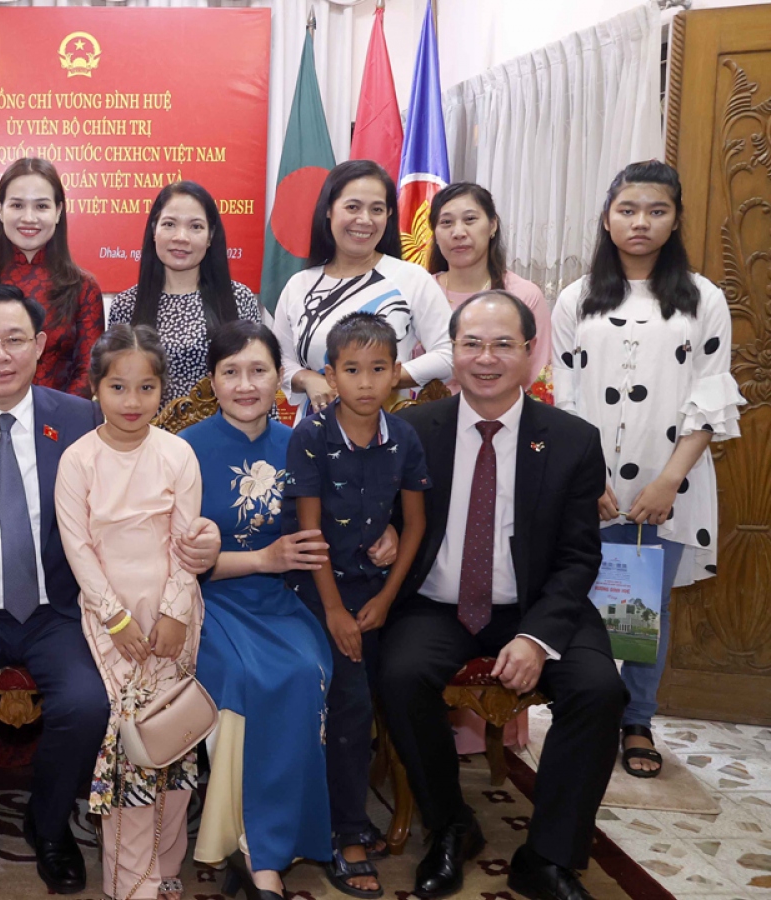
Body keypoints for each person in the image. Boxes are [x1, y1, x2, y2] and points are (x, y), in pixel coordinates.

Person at [0, 285, 223, 900]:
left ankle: (49, 827)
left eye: (15, 339)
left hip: (61, 608)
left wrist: (201, 543)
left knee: (88, 704)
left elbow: (144, 504)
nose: (0, 354)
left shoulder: (81, 417)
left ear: (40, 345)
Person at [382, 290, 627, 900]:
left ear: (529, 351)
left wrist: (538, 637)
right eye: (471, 344)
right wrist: (380, 534)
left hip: (536, 604)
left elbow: (579, 555)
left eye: (501, 345)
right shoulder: (412, 430)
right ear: (452, 350)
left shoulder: (572, 439)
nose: (485, 358)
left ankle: (547, 856)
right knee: (399, 674)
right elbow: (377, 511)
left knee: (599, 690)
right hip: (437, 602)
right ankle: (450, 824)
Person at [552, 160, 742, 780]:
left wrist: (668, 482)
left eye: (657, 211)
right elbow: (566, 399)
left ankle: (637, 720)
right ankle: (581, 713)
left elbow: (710, 398)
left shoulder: (703, 298)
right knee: (576, 601)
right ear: (607, 219)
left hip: (667, 486)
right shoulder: (576, 298)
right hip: (589, 486)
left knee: (642, 612)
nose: (641, 222)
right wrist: (587, 479)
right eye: (628, 210)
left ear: (676, 220)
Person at [182, 321, 333, 900]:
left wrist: (386, 535)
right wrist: (262, 559)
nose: (246, 385)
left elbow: (327, 527)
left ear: (279, 378)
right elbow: (176, 562)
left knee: (304, 672)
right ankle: (252, 848)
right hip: (207, 599)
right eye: (231, 372)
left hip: (282, 600)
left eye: (259, 371)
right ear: (212, 380)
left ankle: (266, 840)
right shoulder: (183, 450)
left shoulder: (302, 444)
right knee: (243, 677)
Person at [283, 313, 430, 898]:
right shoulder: (311, 437)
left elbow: (414, 524)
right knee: (349, 701)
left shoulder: (405, 438)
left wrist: (387, 597)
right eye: (351, 370)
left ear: (396, 374)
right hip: (318, 590)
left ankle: (354, 808)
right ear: (330, 375)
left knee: (384, 689)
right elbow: (309, 533)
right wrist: (336, 612)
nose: (365, 383)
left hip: (379, 592)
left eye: (377, 369)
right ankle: (346, 830)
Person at [54, 324, 204, 900]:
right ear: (95, 388)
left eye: (146, 388)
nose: (132, 401)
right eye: (118, 387)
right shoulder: (78, 459)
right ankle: (132, 881)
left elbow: (186, 542)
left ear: (163, 389)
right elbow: (79, 548)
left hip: (174, 613)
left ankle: (167, 864)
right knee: (132, 744)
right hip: (110, 616)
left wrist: (175, 612)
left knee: (174, 734)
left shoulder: (177, 453)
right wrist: (115, 618)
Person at [273, 160, 453, 415]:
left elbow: (449, 353)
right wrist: (307, 379)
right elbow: (278, 360)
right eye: (353, 207)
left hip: (390, 424)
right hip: (314, 428)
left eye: (377, 209)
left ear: (388, 215)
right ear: (329, 210)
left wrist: (379, 378)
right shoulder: (299, 285)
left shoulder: (412, 278)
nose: (365, 220)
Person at [0, 158, 105, 398]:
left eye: (41, 206)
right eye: (17, 205)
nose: (29, 218)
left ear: (58, 212)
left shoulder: (83, 288)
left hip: (63, 418)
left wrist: (55, 414)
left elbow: (88, 371)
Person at [108, 182, 263, 405]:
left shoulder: (239, 298)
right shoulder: (126, 305)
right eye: (169, 224)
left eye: (195, 227)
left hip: (223, 425)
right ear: (154, 231)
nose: (181, 237)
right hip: (147, 426)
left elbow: (258, 377)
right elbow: (116, 384)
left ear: (210, 236)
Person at [426, 183, 550, 394]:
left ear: (492, 225)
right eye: (446, 222)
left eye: (470, 219)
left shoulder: (524, 295)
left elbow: (538, 378)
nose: (458, 232)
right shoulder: (420, 292)